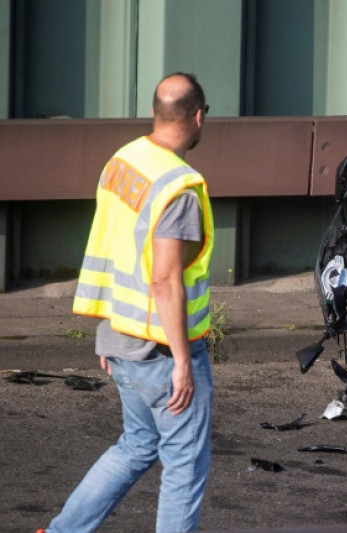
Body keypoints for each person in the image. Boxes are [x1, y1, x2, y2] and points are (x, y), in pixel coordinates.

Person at [41, 72, 215, 533]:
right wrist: (182, 360)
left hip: (121, 339)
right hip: (160, 351)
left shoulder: (124, 160)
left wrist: (107, 332)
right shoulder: (178, 187)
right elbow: (164, 279)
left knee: (136, 446)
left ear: (156, 113)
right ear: (198, 116)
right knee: (184, 466)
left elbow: (112, 243)